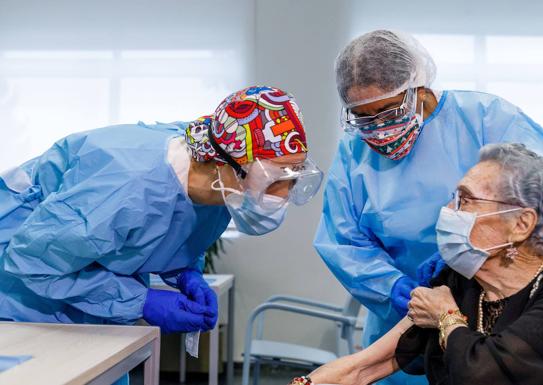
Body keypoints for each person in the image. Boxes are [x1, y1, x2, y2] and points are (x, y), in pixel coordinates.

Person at [313, 30, 543, 385]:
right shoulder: (353, 151)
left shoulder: (486, 120)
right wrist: (393, 287)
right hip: (405, 315)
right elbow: (342, 238)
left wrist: (471, 254)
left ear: (418, 88)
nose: (379, 128)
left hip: (493, 306)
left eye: (387, 110)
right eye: (363, 116)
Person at [0, 85, 323, 333]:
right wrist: (138, 301)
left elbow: (168, 230)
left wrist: (186, 273)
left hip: (84, 293)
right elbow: (31, 262)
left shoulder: (219, 185)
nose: (281, 194)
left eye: (293, 176)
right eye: (272, 178)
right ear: (220, 164)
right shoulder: (124, 187)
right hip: (20, 291)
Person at [295, 143, 543, 385]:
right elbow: (363, 367)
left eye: (465, 200)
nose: (449, 210)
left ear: (521, 223)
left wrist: (446, 317)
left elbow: (485, 375)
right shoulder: (457, 284)